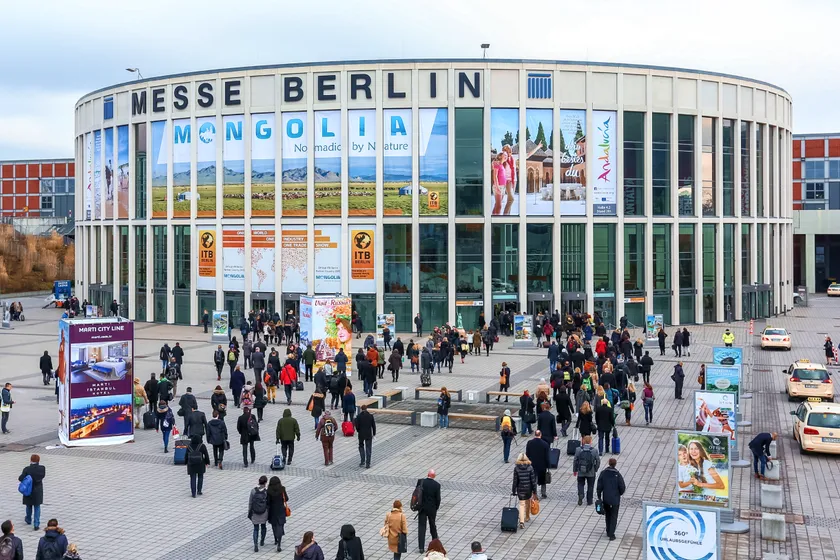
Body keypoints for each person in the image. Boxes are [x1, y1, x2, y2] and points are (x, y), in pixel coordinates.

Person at [596, 457, 626, 541]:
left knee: (607, 515)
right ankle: (611, 534)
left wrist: (599, 496)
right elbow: (622, 487)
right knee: (614, 516)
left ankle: (608, 530)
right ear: (615, 464)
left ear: (608, 463)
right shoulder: (618, 475)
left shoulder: (603, 473)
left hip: (606, 498)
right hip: (615, 500)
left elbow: (599, 486)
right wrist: (618, 494)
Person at [416, 470, 441, 553]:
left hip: (422, 508)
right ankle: (435, 544)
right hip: (432, 509)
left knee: (421, 527)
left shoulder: (421, 482)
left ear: (428, 475)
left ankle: (421, 548)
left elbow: (417, 494)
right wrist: (435, 508)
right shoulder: (437, 485)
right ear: (434, 476)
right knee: (432, 526)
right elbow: (438, 499)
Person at [19, 454, 46, 529]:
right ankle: (36, 524)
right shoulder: (42, 468)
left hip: (29, 490)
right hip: (38, 490)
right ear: (38, 460)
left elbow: (20, 478)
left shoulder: (27, 469)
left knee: (29, 505)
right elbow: (42, 476)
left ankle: (28, 519)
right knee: (37, 506)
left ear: (30, 460)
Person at [511, 453, 537, 529]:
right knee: (528, 501)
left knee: (521, 504)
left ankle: (521, 521)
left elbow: (515, 480)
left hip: (520, 489)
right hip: (528, 489)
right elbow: (533, 480)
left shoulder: (516, 468)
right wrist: (535, 491)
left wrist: (513, 491)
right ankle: (527, 516)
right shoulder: (530, 467)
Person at [573, 435, 600, 506]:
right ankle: (589, 500)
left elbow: (575, 460)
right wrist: (595, 469)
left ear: (583, 441)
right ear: (590, 442)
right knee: (590, 486)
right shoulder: (594, 451)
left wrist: (575, 470)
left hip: (581, 471)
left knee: (580, 484)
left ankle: (581, 494)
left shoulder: (578, 449)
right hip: (591, 472)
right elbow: (598, 461)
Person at [525, 431, 550, 499]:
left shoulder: (530, 443)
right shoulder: (545, 444)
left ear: (534, 435)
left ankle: (534, 493)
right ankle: (543, 493)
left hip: (532, 464)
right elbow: (547, 456)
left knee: (534, 479)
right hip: (542, 465)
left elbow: (527, 454)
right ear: (540, 435)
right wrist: (548, 465)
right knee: (543, 480)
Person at [267, 476, 288, 552]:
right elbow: (286, 498)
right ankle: (279, 543)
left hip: (272, 511)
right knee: (280, 525)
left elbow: (268, 502)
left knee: (274, 525)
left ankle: (275, 539)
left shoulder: (269, 491)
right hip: (281, 510)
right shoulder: (282, 489)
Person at [248, 476, 270, 552]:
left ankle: (255, 545)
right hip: (264, 512)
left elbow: (250, 502)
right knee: (263, 527)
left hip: (255, 512)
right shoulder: (266, 491)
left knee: (255, 528)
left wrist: (250, 512)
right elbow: (268, 503)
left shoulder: (253, 491)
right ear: (265, 482)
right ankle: (262, 541)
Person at [354, 404, 376, 468]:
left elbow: (357, 426)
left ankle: (362, 461)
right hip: (368, 434)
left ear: (361, 409)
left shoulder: (358, 416)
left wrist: (358, 431)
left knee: (361, 446)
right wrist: (374, 433)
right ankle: (368, 463)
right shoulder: (370, 416)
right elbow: (373, 426)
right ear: (366, 409)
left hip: (361, 434)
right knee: (368, 448)